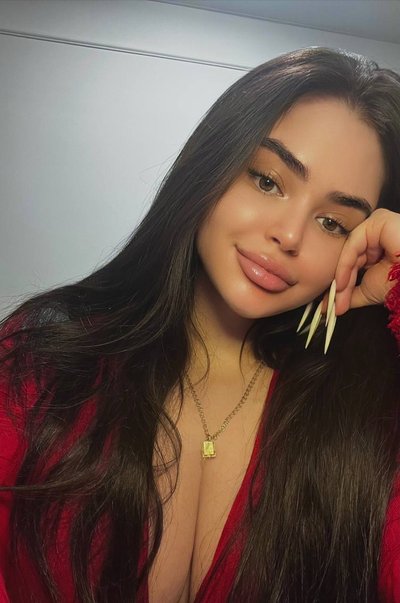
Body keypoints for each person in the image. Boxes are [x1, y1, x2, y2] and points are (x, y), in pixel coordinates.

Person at [1, 45, 400, 603]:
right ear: (211, 165)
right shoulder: (46, 358)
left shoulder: (366, 414)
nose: (288, 235)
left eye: (333, 222)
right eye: (267, 181)